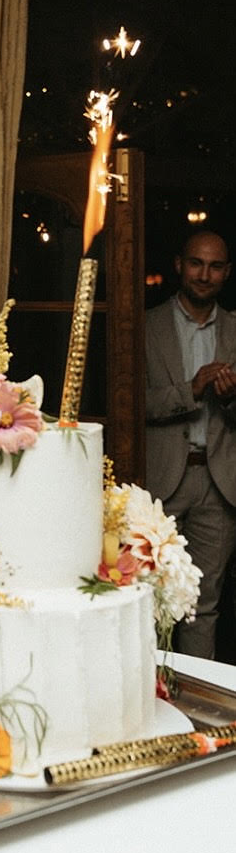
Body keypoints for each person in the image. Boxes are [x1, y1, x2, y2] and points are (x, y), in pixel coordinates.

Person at [146, 229, 236, 659]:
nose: (205, 274)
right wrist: (192, 389)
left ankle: (194, 708)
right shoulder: (145, 326)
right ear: (180, 265)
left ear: (227, 273)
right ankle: (147, 697)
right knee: (146, 599)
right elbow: (129, 405)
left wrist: (230, 397)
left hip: (219, 486)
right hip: (160, 483)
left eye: (215, 266)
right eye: (197, 263)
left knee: (203, 606)